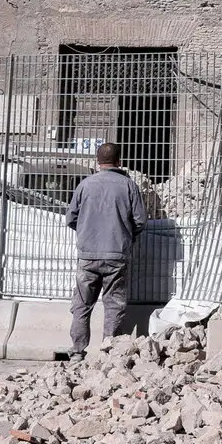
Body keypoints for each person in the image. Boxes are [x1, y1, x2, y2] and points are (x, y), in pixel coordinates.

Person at [64, 140, 147, 357]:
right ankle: (108, 352)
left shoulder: (85, 185)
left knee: (82, 304)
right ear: (119, 162)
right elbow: (140, 221)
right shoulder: (129, 186)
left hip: (88, 255)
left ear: (97, 161)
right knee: (114, 304)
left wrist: (86, 233)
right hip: (117, 255)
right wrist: (125, 236)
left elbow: (71, 218)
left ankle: (77, 352)